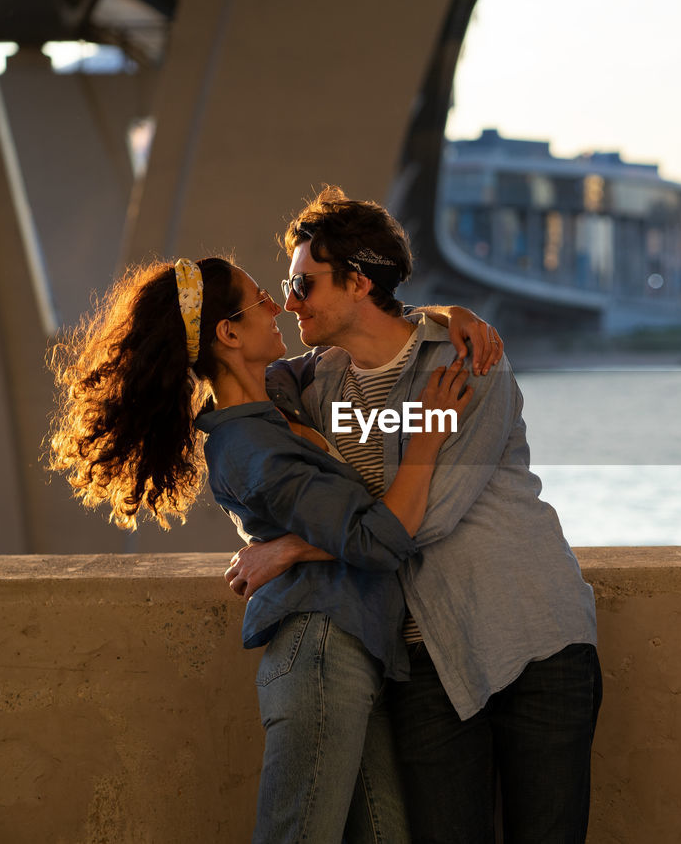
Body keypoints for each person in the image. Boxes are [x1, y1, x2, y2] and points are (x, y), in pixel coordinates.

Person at [46, 255, 500, 843]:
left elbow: (371, 329)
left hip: (357, 654)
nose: (279, 304)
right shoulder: (250, 447)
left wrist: (450, 314)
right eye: (262, 297)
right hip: (320, 656)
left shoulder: (279, 395)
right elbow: (378, 539)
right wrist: (428, 436)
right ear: (229, 333)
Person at [237, 187, 601, 844]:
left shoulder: (467, 362)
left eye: (302, 284)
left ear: (356, 282)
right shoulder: (315, 384)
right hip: (426, 662)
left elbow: (423, 520)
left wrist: (294, 547)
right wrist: (444, 307)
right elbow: (240, 381)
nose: (289, 302)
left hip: (536, 640)